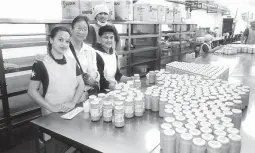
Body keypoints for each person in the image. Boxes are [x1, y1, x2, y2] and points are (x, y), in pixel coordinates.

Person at [28, 26, 84, 153]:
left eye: (67, 41)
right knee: (56, 147)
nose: (64, 44)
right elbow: (31, 90)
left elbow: (81, 84)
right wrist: (51, 107)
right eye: (60, 40)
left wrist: (73, 103)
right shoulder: (41, 63)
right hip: (52, 116)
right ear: (51, 40)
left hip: (72, 112)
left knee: (75, 144)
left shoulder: (72, 61)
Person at [36, 16, 100, 96]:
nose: (82, 32)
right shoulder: (62, 49)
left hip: (87, 94)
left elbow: (95, 72)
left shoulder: (91, 51)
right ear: (71, 29)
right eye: (79, 28)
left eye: (85, 29)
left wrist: (93, 77)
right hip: (68, 95)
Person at [94, 25, 132, 93]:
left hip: (113, 89)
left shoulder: (114, 53)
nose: (109, 40)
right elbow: (100, 80)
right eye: (105, 37)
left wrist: (129, 79)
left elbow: (117, 75)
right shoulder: (96, 54)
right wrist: (116, 87)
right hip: (101, 92)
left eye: (111, 37)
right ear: (99, 38)